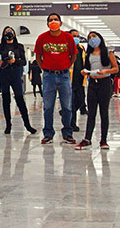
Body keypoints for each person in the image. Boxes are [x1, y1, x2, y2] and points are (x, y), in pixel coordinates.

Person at [34, 13, 77, 145]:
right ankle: (48, 133)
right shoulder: (42, 38)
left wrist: (67, 66)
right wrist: (44, 68)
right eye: (51, 20)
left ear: (60, 23)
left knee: (67, 106)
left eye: (56, 20)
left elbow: (73, 55)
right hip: (48, 76)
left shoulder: (68, 38)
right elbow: (38, 56)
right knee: (48, 106)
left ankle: (67, 133)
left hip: (64, 76)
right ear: (47, 24)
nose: (53, 22)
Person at [75, 32, 119, 150]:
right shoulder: (89, 53)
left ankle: (103, 140)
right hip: (92, 84)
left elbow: (116, 68)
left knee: (104, 112)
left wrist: (106, 71)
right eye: (90, 38)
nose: (92, 39)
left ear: (100, 37)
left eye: (94, 36)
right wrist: (85, 72)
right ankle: (87, 138)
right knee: (91, 112)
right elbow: (87, 68)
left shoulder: (108, 52)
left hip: (104, 83)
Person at [0, 26, 36, 135]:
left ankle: (27, 125)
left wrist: (15, 61)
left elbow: (24, 62)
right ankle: (8, 124)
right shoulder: (0, 46)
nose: (9, 33)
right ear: (3, 34)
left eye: (11, 31)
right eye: (7, 31)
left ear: (14, 34)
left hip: (16, 74)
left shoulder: (19, 46)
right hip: (4, 74)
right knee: (6, 100)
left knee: (20, 98)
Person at [69, 29, 86, 132]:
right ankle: (72, 124)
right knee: (71, 103)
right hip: (69, 80)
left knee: (80, 100)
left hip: (80, 80)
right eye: (74, 36)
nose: (76, 38)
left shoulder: (81, 48)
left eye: (77, 36)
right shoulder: (66, 47)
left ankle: (67, 113)